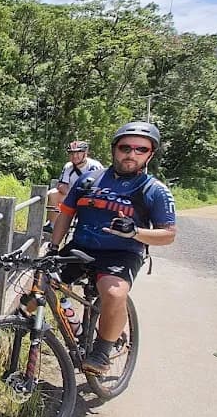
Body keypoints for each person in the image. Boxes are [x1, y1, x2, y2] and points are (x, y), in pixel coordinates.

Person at [48, 121, 176, 374]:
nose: (132, 154)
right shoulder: (88, 179)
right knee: (42, 284)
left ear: (150, 154)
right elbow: (66, 214)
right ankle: (60, 324)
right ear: (114, 149)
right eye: (125, 147)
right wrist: (53, 247)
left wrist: (136, 231)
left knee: (114, 294)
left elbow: (168, 235)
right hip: (81, 247)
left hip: (122, 253)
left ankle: (102, 351)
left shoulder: (154, 190)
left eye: (141, 149)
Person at [45, 140, 103, 232]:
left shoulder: (95, 166)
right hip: (70, 195)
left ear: (85, 153)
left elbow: (101, 187)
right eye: (71, 153)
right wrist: (73, 196)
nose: (75, 156)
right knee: (52, 193)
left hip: (90, 198)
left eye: (78, 153)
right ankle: (52, 224)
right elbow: (61, 185)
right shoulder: (68, 166)